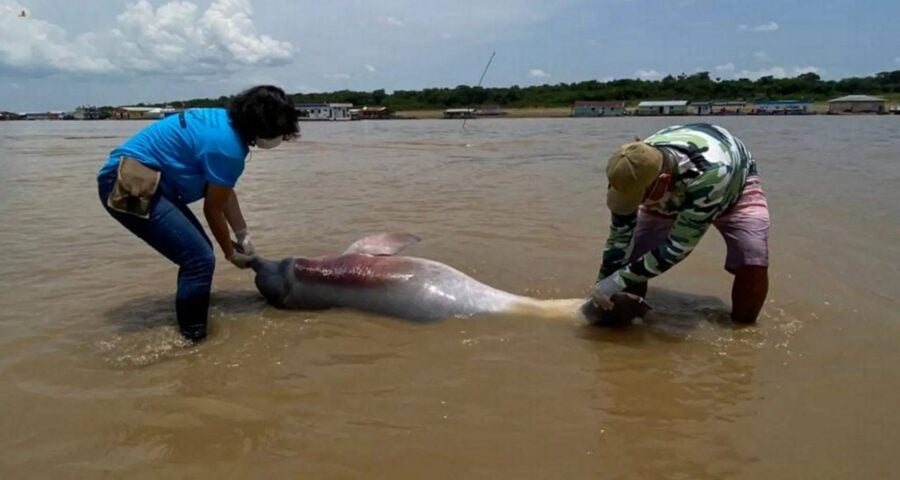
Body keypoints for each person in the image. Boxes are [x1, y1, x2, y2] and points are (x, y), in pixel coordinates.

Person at [97, 85, 299, 342]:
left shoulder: (221, 121)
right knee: (199, 259)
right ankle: (193, 339)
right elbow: (212, 208)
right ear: (264, 126)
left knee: (198, 254)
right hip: (129, 182)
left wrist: (243, 235)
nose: (280, 138)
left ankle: (189, 328)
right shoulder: (228, 147)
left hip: (136, 176)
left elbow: (223, 192)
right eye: (280, 132)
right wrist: (229, 252)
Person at [589, 123, 769, 324]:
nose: (635, 204)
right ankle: (624, 324)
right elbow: (619, 237)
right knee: (633, 258)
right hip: (667, 190)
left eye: (639, 198)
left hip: (732, 183)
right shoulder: (627, 168)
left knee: (752, 259)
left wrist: (617, 280)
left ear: (663, 181)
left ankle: (743, 333)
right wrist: (603, 282)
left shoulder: (712, 174)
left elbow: (677, 247)